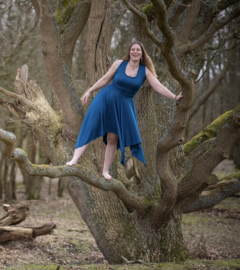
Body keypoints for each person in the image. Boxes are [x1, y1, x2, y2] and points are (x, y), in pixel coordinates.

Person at [66, 41, 183, 180]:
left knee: (112, 137)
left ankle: (105, 171)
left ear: (142, 53)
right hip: (106, 98)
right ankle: (74, 160)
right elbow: (104, 79)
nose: (135, 52)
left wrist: (175, 97)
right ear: (129, 51)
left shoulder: (145, 70)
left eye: (138, 50)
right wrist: (89, 91)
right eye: (132, 49)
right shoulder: (119, 64)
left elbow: (158, 87)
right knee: (90, 125)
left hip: (124, 105)